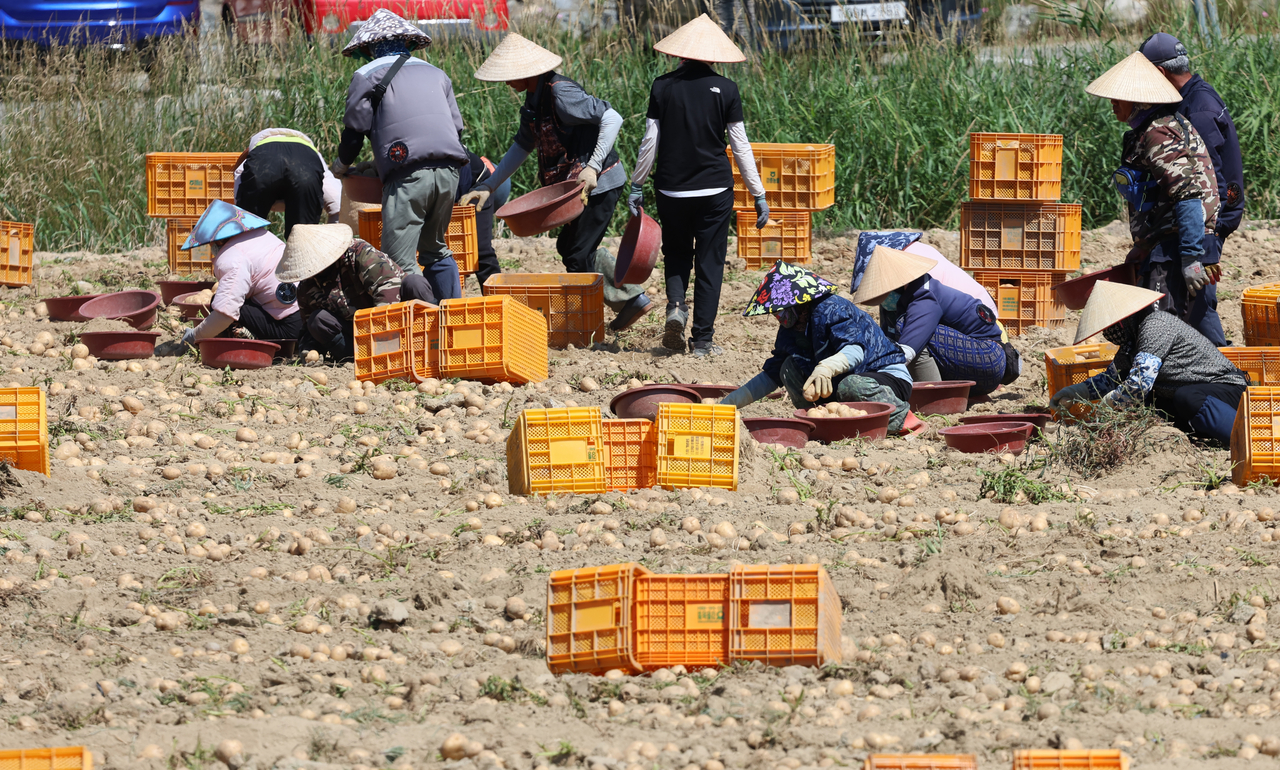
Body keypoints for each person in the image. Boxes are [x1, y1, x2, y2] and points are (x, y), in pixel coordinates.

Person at [460, 34, 652, 331]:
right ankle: (629, 301)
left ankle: (588, 326)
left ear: (528, 72)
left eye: (510, 76)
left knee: (577, 255)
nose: (506, 83)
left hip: (599, 182)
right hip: (578, 188)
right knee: (570, 246)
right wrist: (488, 186)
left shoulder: (561, 93)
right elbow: (522, 146)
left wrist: (592, 167)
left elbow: (612, 118)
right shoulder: (533, 101)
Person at [628, 14, 769, 357]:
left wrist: (637, 184)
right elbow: (740, 145)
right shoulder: (728, 90)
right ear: (713, 55)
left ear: (680, 53)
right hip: (714, 191)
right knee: (710, 262)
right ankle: (703, 341)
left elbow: (650, 142)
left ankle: (676, 306)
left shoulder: (662, 86)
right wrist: (758, 193)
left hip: (671, 190)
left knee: (676, 253)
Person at [331, 9, 468, 304]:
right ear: (407, 42)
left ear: (368, 47)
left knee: (398, 261)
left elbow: (355, 131)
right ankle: (451, 316)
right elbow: (456, 129)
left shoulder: (367, 74)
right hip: (449, 171)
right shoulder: (436, 73)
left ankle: (420, 328)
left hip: (408, 174)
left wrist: (341, 165)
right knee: (436, 249)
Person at [1085, 51, 1221, 344]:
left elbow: (1186, 195)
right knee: (1191, 328)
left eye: (1118, 97)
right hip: (1165, 243)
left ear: (1138, 100)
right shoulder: (1146, 132)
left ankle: (1221, 383)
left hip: (1178, 245)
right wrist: (1143, 245)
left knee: (1165, 330)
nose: (1112, 103)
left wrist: (1191, 258)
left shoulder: (1158, 133)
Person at [720, 261, 915, 433]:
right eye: (776, 313)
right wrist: (728, 405)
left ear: (801, 302)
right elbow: (772, 374)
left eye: (782, 311)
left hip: (883, 376)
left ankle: (903, 419)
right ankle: (820, 422)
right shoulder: (790, 329)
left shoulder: (832, 309)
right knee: (788, 368)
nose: (780, 318)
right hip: (841, 382)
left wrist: (827, 367)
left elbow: (855, 350)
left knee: (852, 386)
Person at [1140, 32, 1244, 346]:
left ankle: (1226, 376)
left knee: (1198, 308)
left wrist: (1198, 246)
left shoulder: (1197, 110)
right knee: (1194, 307)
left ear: (1160, 73)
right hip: (1208, 219)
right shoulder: (1192, 96)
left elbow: (1207, 182)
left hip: (1209, 222)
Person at [1049, 282, 1246, 445]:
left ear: (1122, 321)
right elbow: (1112, 379)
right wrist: (1076, 392)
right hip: (1198, 395)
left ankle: (1241, 438)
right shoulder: (1132, 343)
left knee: (1187, 396)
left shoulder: (1156, 325)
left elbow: (1138, 384)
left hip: (1228, 391)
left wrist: (1103, 409)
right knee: (1151, 402)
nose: (1107, 334)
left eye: (1109, 327)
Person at [851, 245, 1018, 397]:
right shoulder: (921, 291)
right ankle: (954, 394)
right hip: (984, 362)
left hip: (988, 358)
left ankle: (934, 397)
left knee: (908, 330)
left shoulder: (925, 296)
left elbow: (907, 350)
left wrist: (876, 372)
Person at [276, 223, 434, 362]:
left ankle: (431, 342)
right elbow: (308, 328)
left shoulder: (359, 254)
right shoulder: (307, 288)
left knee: (415, 284)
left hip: (398, 322)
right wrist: (309, 350)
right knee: (318, 321)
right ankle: (355, 359)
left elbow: (387, 290)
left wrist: (382, 339)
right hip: (358, 339)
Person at [165, 201, 302, 353]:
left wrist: (193, 337)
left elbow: (225, 314)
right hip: (305, 313)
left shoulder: (231, 257)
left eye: (211, 244)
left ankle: (253, 340)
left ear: (219, 240)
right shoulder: (263, 236)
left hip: (289, 331)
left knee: (218, 303)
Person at [853, 231, 997, 314]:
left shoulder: (912, 262)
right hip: (979, 310)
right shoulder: (911, 249)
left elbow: (923, 313)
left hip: (977, 317)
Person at [234, 128, 341, 238]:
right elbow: (338, 205)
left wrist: (243, 213)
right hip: (304, 169)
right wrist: (332, 245)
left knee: (248, 234)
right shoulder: (314, 154)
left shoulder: (256, 151)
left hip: (263, 165)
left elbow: (238, 179)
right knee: (303, 240)